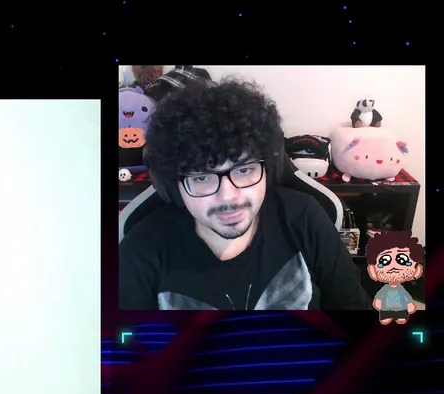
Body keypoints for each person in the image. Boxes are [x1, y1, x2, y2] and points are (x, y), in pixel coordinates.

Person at [119, 79, 370, 311]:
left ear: (268, 169)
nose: (229, 196)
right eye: (202, 177)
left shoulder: (304, 218)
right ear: (173, 186)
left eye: (243, 170)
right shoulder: (141, 250)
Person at [364, 230, 424, 324]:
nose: (393, 266)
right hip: (386, 310)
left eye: (402, 260)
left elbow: (407, 299)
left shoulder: (402, 289)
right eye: (385, 261)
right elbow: (378, 300)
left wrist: (409, 305)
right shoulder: (384, 288)